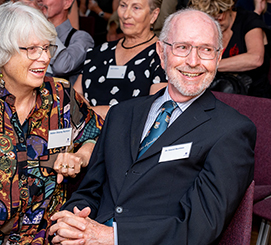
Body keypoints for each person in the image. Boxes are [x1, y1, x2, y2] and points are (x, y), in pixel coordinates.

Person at [49, 8, 255, 244]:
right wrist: (75, 222)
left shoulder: (232, 131)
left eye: (206, 50)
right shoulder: (122, 114)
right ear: (161, 51)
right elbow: (89, 191)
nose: (193, 61)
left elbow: (200, 227)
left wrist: (111, 236)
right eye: (182, 47)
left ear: (218, 58)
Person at [0, 2, 103, 244]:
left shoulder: (60, 95)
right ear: (4, 51)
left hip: (48, 237)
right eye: (33, 49)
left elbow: (98, 133)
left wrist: (80, 157)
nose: (45, 58)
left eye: (47, 48)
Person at [74, 0, 167, 119]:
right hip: (88, 134)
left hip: (130, 136)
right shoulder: (99, 52)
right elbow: (75, 96)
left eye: (136, 8)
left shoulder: (162, 56)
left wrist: (102, 113)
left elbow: (154, 112)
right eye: (123, 6)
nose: (126, 15)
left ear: (153, 15)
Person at [190, 0, 271, 98]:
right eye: (211, 20)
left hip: (253, 96)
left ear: (229, 8)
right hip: (216, 93)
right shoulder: (207, 28)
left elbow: (256, 58)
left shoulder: (249, 21)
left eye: (219, 18)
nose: (216, 24)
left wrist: (210, 65)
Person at [40, 0, 95, 85]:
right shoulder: (32, 36)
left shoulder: (82, 38)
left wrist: (45, 28)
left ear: (67, 3)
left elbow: (62, 67)